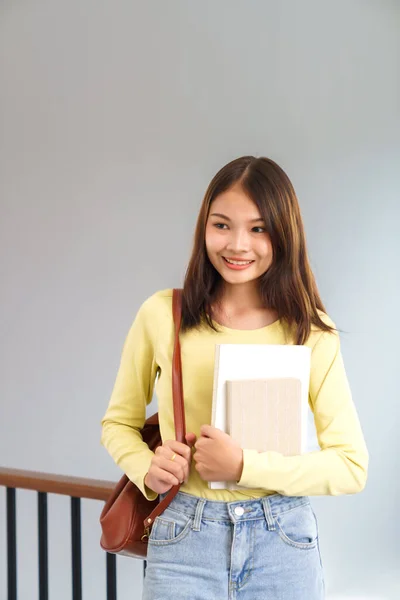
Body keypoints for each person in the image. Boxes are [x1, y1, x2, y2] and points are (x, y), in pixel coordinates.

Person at [101, 156, 368, 600]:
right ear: (203, 227)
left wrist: (245, 466)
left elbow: (351, 466)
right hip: (184, 536)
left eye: (258, 228)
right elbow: (117, 424)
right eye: (221, 225)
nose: (238, 244)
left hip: (282, 541)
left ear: (283, 234)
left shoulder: (310, 331)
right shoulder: (163, 315)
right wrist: (148, 468)